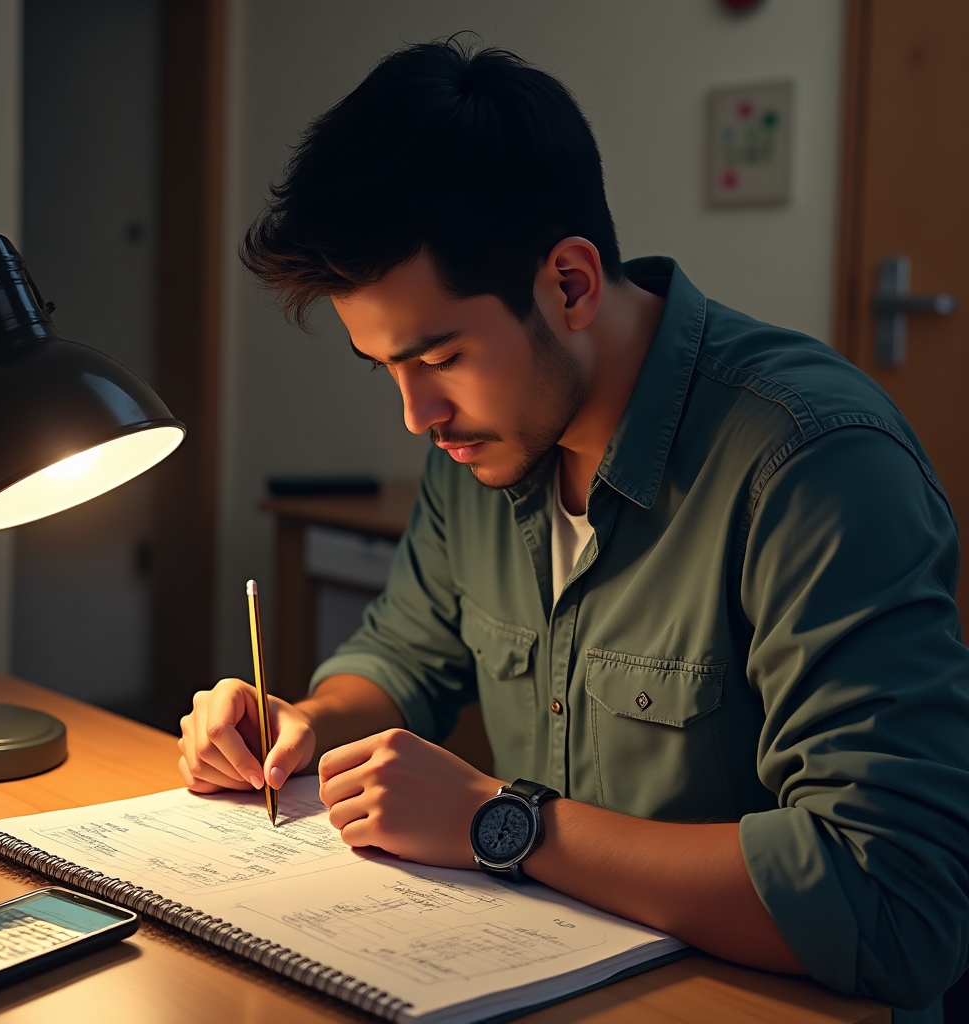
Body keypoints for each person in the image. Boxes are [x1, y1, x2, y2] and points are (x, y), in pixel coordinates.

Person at [177, 39, 969, 1022]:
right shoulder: (480, 447)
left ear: (571, 284)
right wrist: (302, 723)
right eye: (383, 367)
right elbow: (404, 654)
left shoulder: (814, 462)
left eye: (439, 356)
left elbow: (896, 899)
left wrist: (496, 822)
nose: (415, 415)